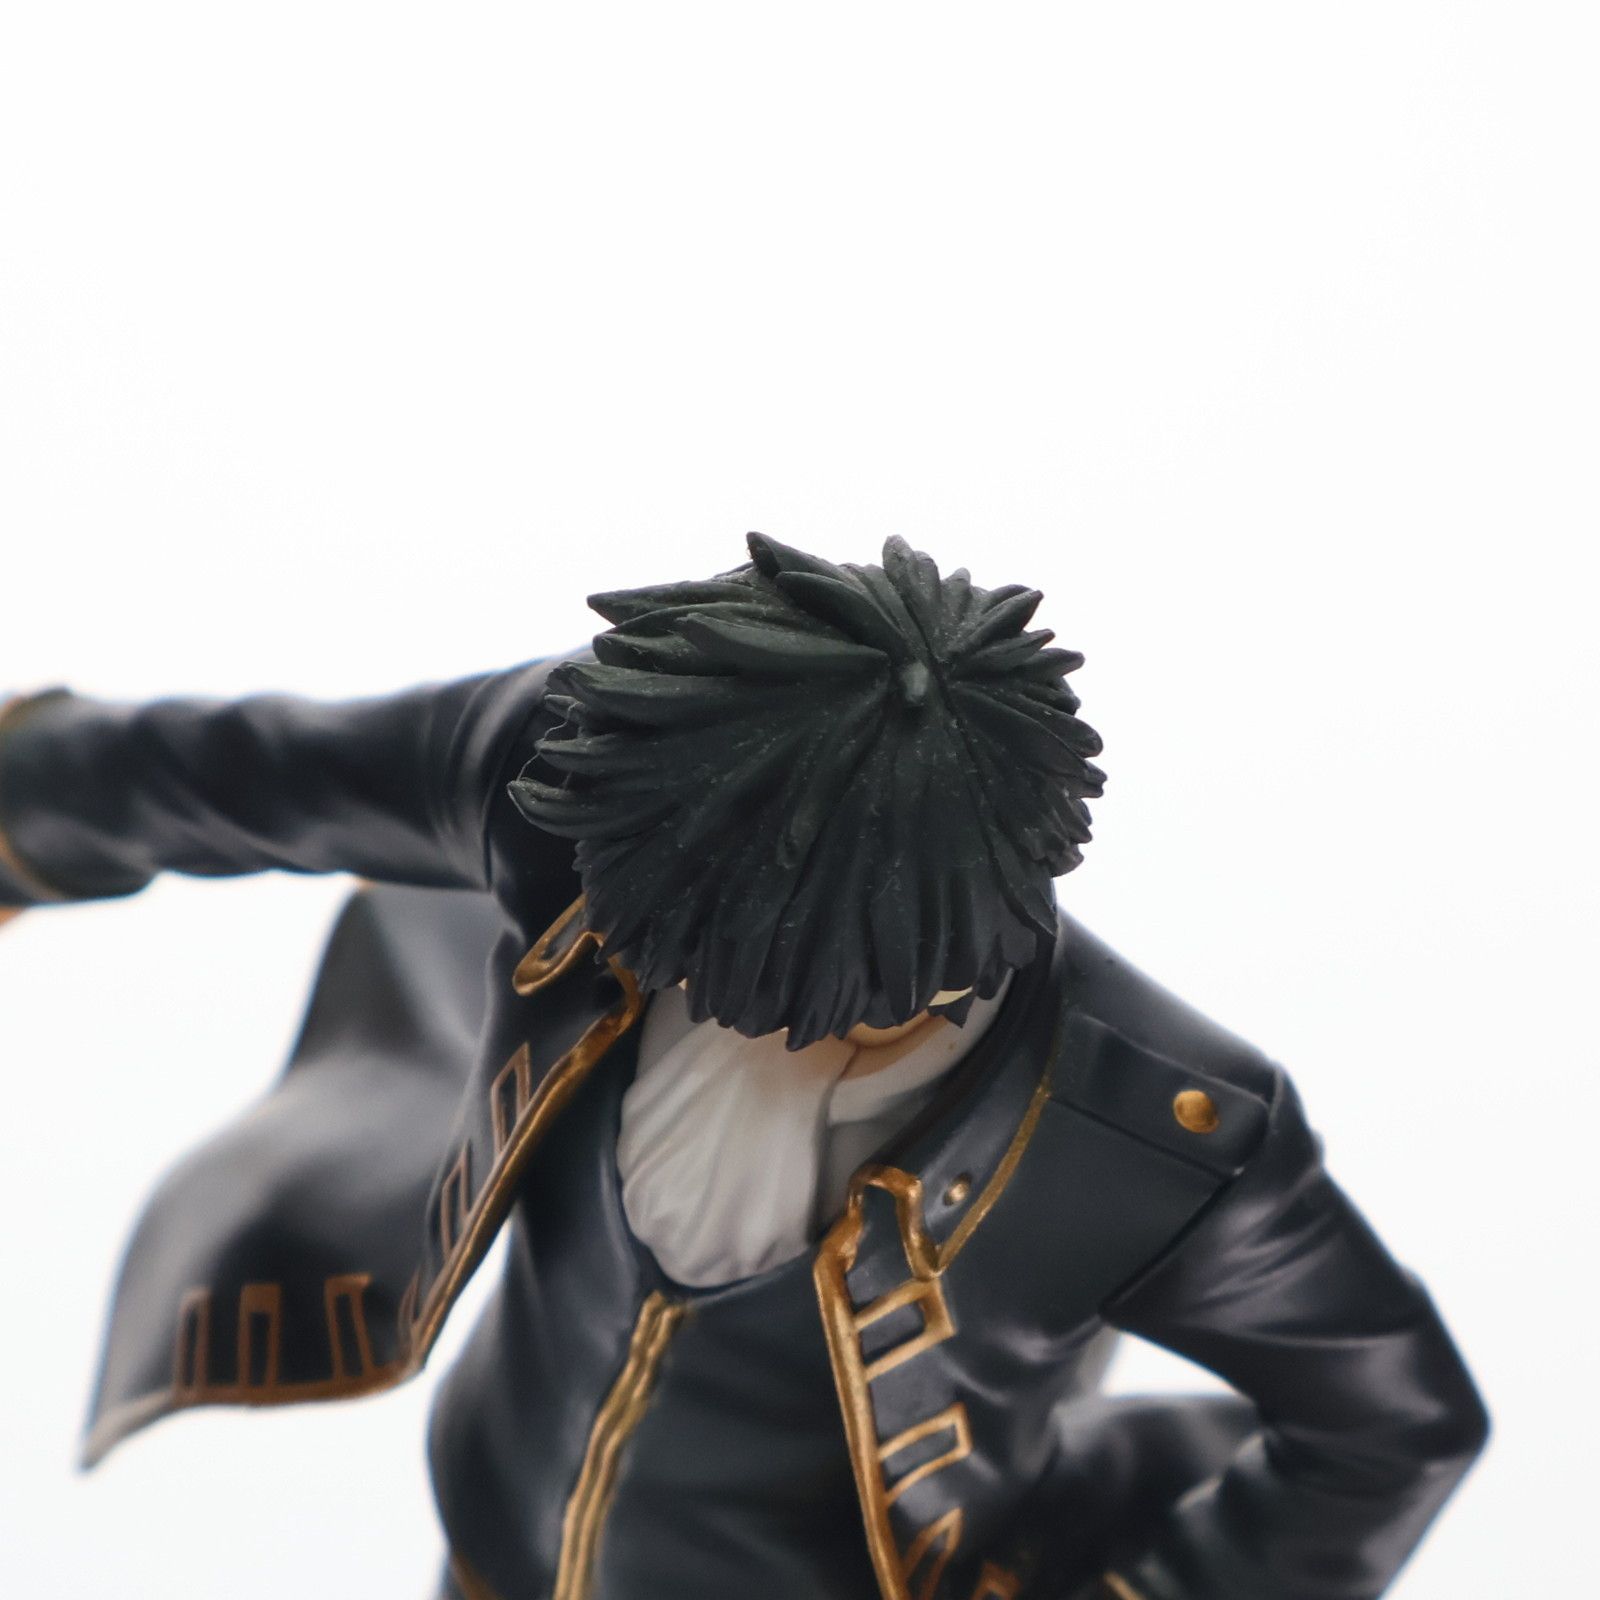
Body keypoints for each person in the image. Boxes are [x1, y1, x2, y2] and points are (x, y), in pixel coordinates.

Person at [0, 534, 1486, 1600]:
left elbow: (1393, 1423)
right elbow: (245, 774)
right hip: (502, 1549)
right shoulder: (592, 782)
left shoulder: (1159, 1128)